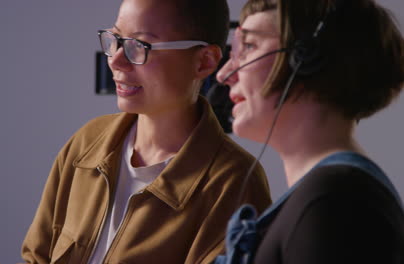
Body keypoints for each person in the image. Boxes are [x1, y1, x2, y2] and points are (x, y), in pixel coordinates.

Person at [21, 0, 272, 263]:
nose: (116, 60)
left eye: (138, 46)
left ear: (204, 62)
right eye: (115, 39)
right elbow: (35, 257)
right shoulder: (87, 143)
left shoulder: (234, 183)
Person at [213, 0, 404, 263]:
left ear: (304, 58)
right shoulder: (330, 197)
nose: (224, 74)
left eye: (248, 46)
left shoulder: (336, 203)